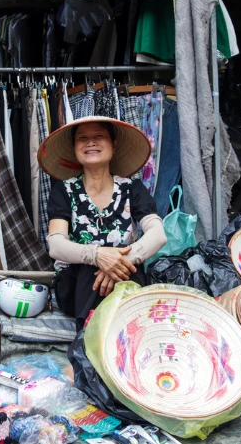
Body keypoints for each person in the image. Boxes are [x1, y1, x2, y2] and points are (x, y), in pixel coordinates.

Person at [38, 116, 167, 329]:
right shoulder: (64, 190)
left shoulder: (132, 188)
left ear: (113, 145)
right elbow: (56, 245)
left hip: (125, 278)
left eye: (99, 136)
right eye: (83, 138)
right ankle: (87, 346)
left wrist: (119, 262)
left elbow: (157, 234)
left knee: (129, 271)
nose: (91, 142)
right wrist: (97, 256)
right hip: (75, 284)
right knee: (90, 269)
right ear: (74, 147)